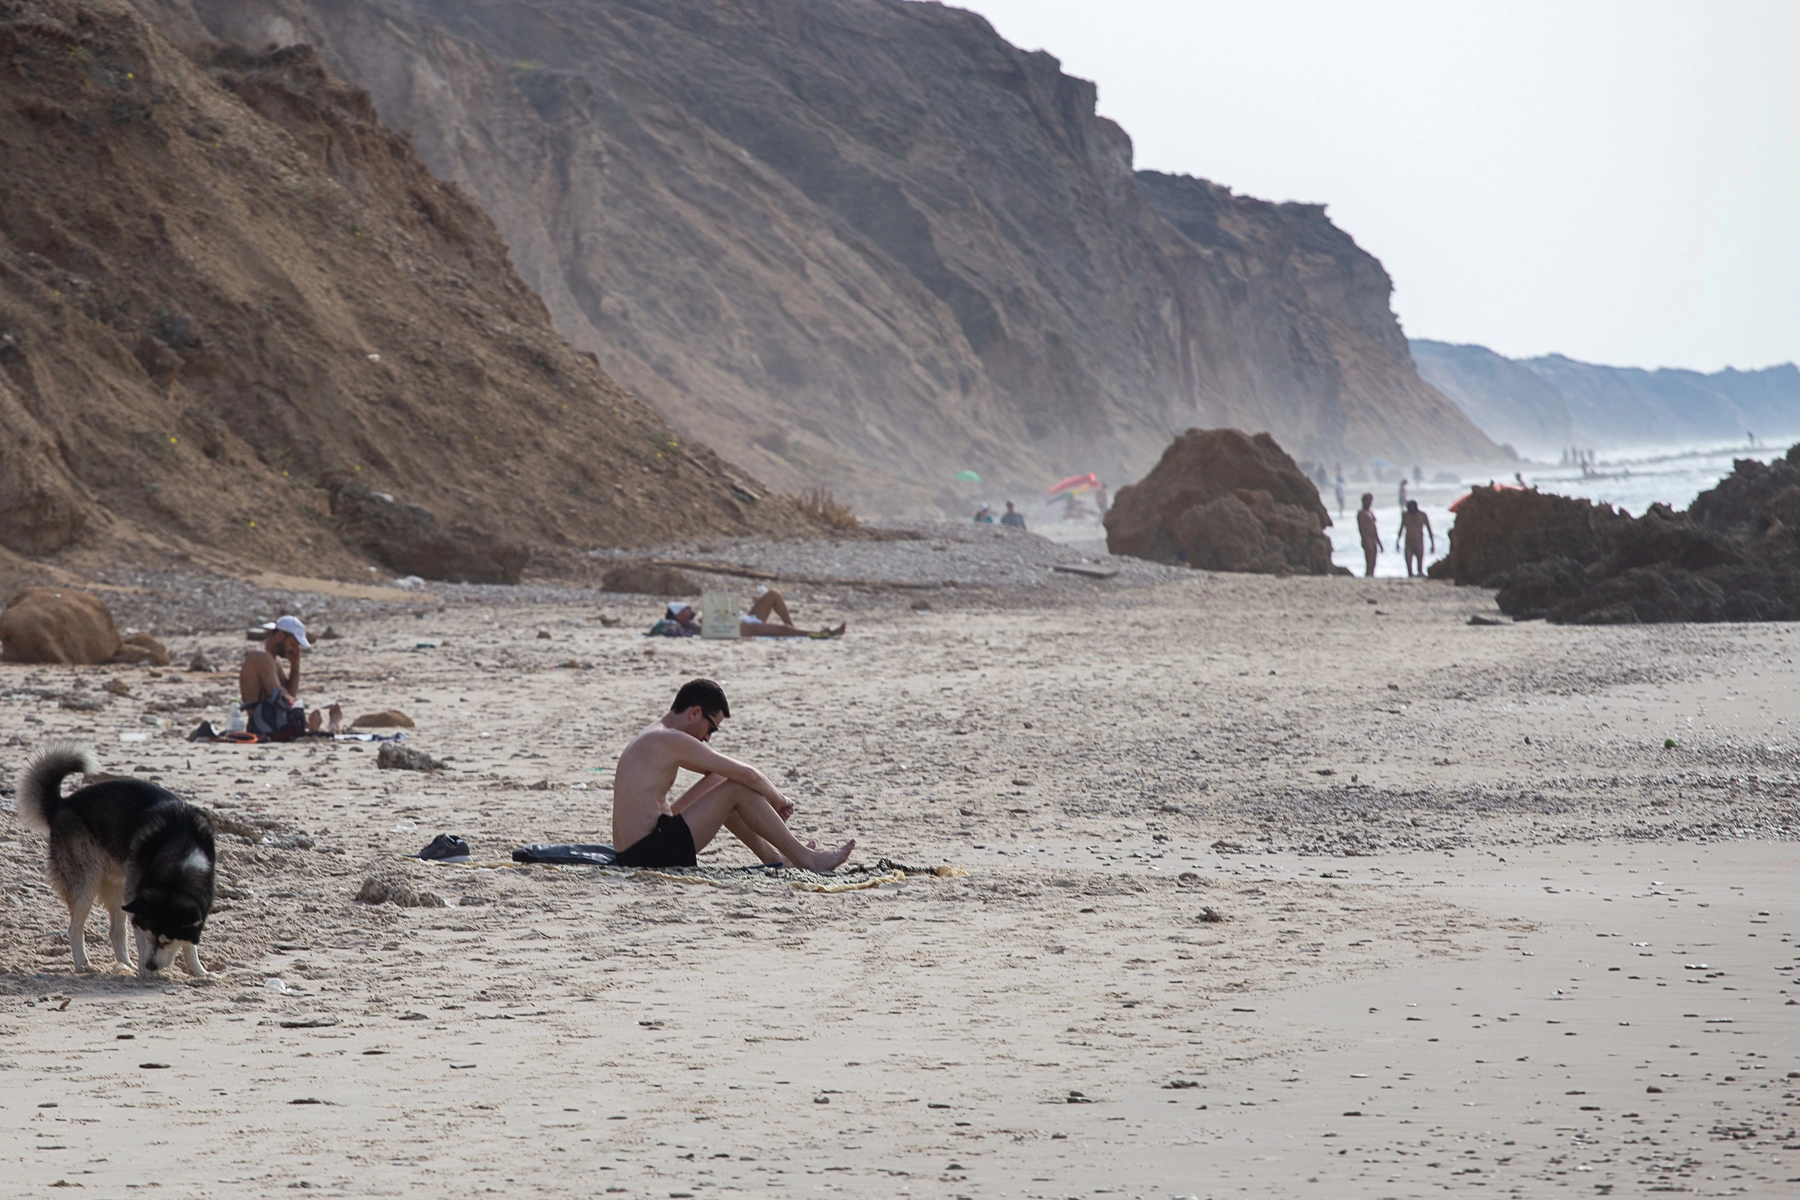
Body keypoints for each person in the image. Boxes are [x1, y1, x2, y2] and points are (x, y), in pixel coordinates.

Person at [611, 678, 856, 872]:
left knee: (722, 781)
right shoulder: (670, 739)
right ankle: (807, 858)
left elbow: (722, 774)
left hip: (635, 849)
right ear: (695, 713)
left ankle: (775, 858)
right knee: (736, 789)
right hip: (648, 854)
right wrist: (778, 800)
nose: (707, 738)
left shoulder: (655, 735)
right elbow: (749, 775)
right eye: (711, 728)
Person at [239, 615, 314, 740]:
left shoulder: (274, 658)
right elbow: (279, 696)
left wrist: (295, 666)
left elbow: (289, 693)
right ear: (279, 636)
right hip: (263, 725)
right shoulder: (261, 656)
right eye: (293, 644)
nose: (294, 650)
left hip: (273, 721)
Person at [1396, 499, 1435, 577]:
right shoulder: (1405, 515)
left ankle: (1419, 576)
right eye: (1410, 507)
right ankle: (1410, 577)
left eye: (1413, 507)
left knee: (1420, 568)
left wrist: (1432, 543)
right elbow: (1401, 528)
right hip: (1408, 543)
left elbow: (1429, 529)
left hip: (1419, 543)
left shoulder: (1422, 515)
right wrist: (1397, 541)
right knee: (1409, 568)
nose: (1411, 509)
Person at [1356, 492, 1381, 578]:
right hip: (1367, 539)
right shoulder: (1361, 513)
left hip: (1373, 539)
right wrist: (1364, 539)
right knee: (1369, 560)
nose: (1369, 503)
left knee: (1374, 561)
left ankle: (1371, 575)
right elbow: (1361, 528)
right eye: (1367, 501)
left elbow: (1374, 528)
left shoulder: (1371, 512)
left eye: (1370, 501)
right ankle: (1368, 574)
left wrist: (1379, 542)